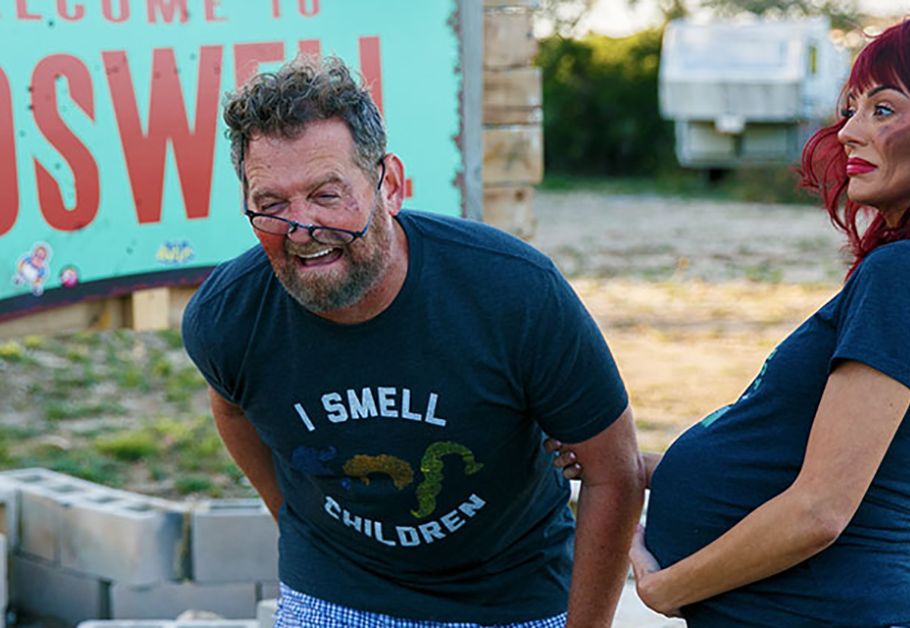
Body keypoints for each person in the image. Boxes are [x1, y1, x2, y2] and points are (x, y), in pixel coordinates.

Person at [547, 6, 910, 627]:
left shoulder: (908, 276)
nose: (847, 131)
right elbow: (839, 468)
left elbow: (820, 510)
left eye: (883, 109)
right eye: (851, 108)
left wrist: (667, 589)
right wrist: (651, 471)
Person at [182, 56, 644, 628]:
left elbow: (615, 474)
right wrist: (301, 529)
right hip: (339, 587)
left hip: (514, 590)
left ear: (391, 186)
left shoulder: (514, 293)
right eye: (272, 205)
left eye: (327, 195)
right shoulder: (227, 316)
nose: (301, 229)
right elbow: (231, 406)